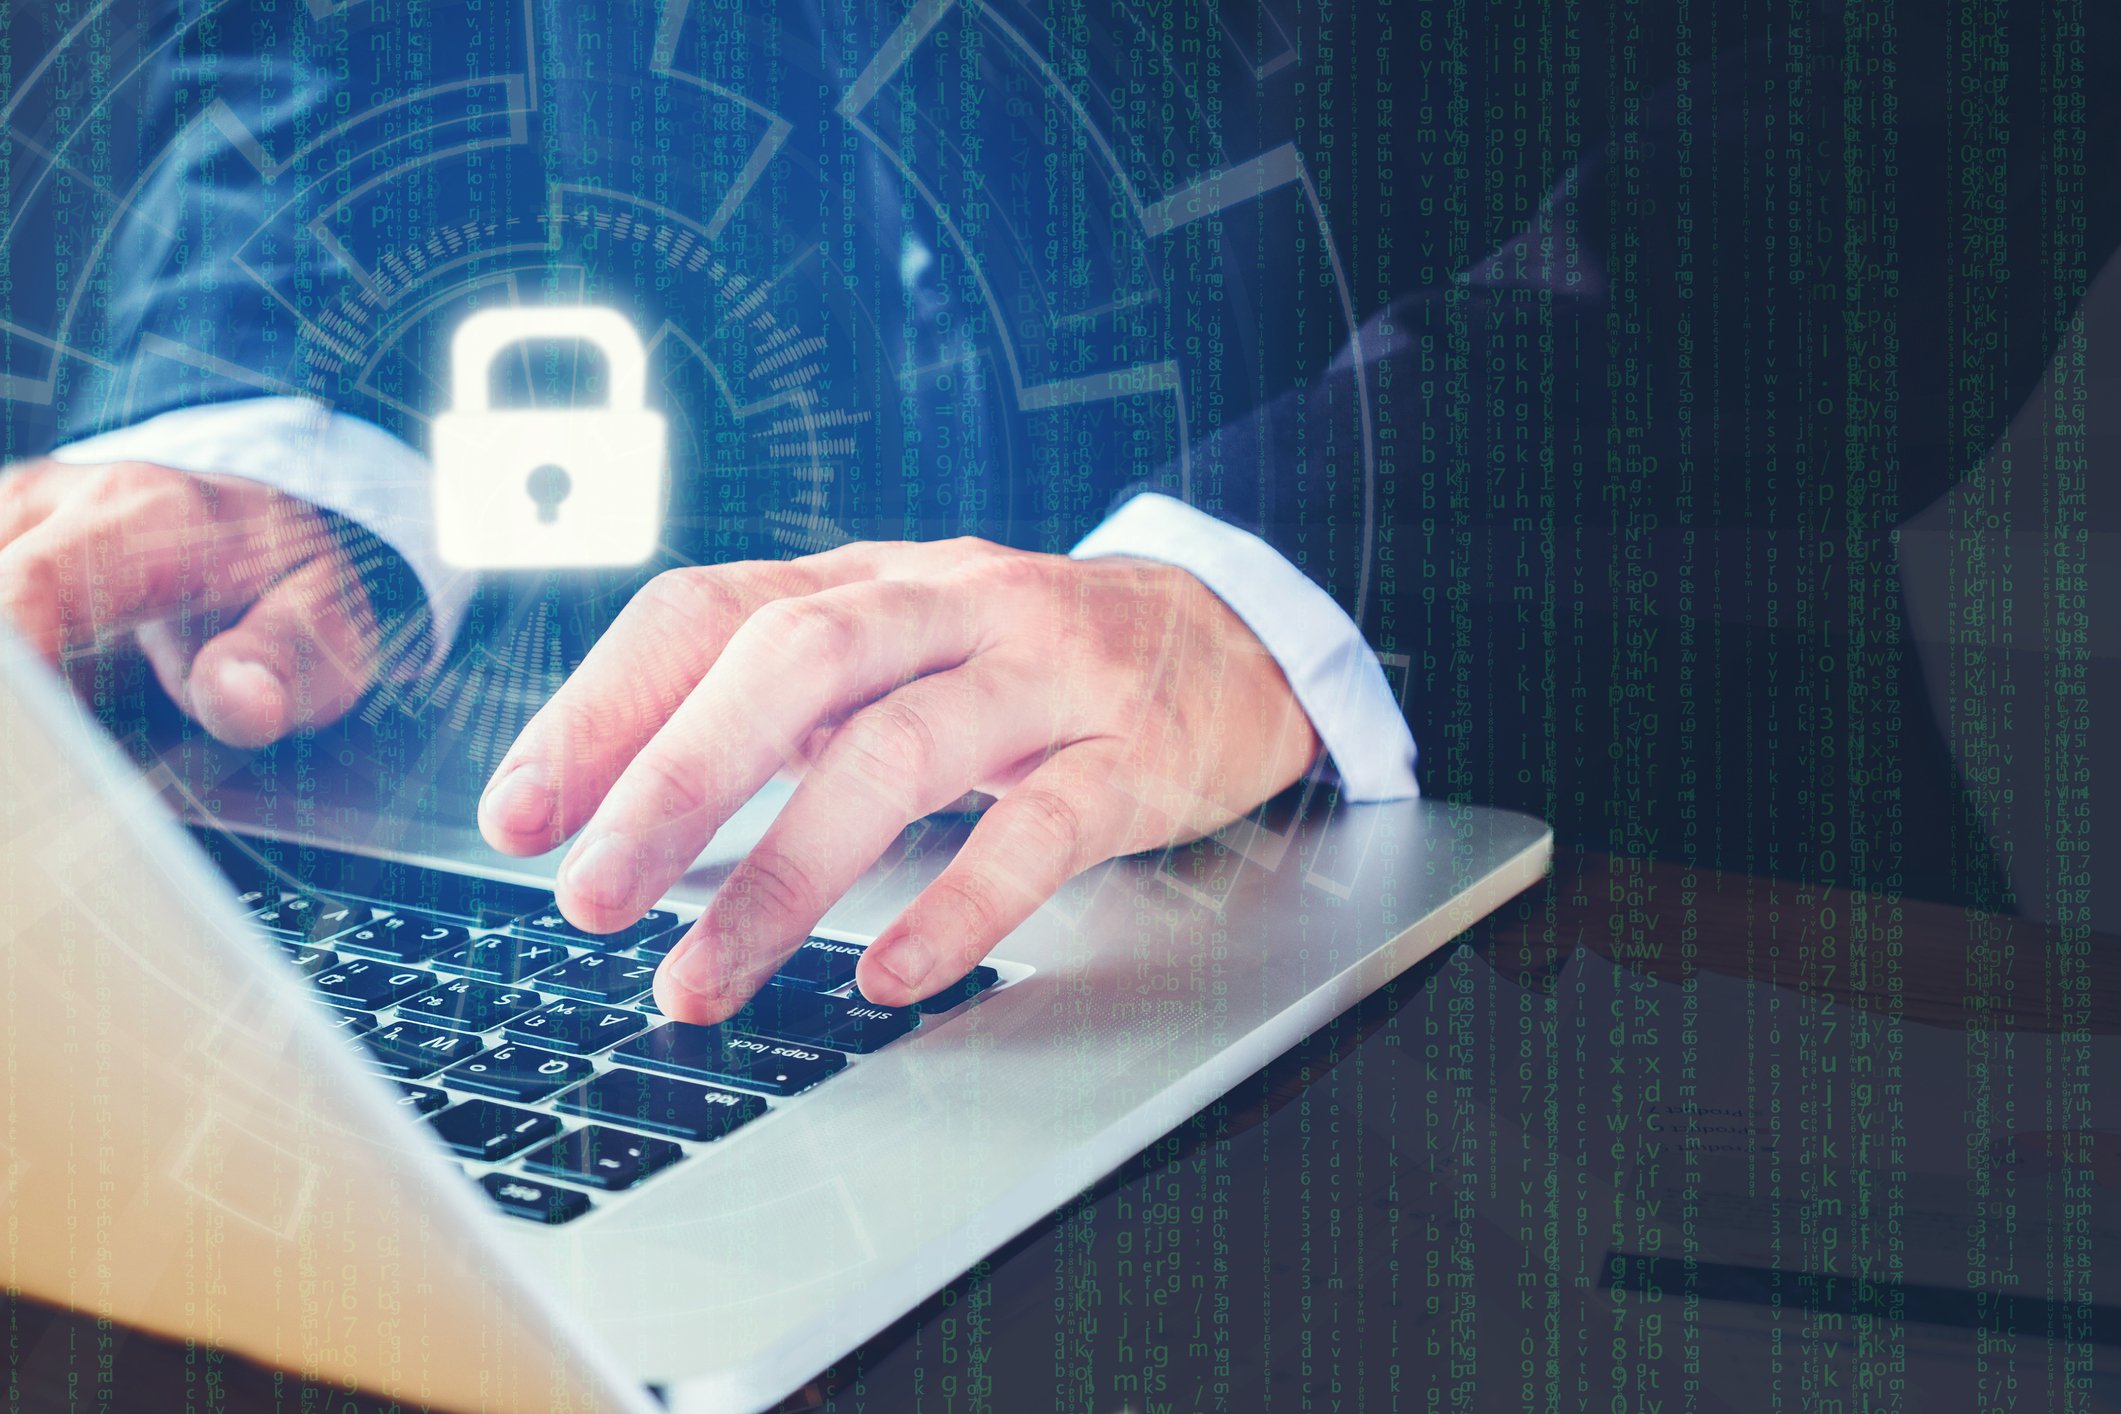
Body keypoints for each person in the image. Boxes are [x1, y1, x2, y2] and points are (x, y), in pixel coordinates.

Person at [5, 0, 2108, 1017]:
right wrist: (294, 443)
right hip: (635, 810)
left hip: (1583, 893)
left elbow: (1923, 78)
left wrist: (1261, 589)